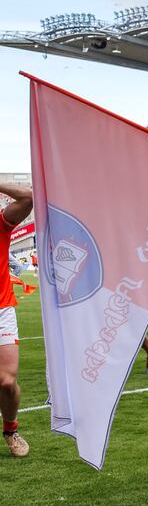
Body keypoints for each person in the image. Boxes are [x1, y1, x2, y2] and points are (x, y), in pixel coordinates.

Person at [0, 184, 33, 457]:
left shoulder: (1, 223)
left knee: (7, 382)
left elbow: (28, 198)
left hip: (2, 310)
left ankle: (10, 429)